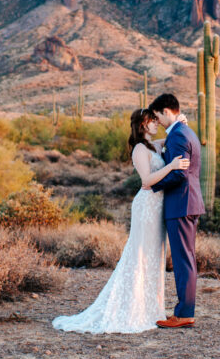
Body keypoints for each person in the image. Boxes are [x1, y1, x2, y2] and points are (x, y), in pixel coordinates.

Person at [52, 108, 189, 333]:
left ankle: (150, 308)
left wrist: (178, 121)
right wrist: (171, 166)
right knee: (140, 254)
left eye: (157, 120)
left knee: (154, 256)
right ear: (142, 125)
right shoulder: (139, 149)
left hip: (157, 207)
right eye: (151, 121)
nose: (156, 124)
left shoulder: (153, 146)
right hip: (146, 206)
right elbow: (146, 181)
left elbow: (171, 136)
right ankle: (132, 308)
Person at [147, 93, 205, 328]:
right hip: (186, 203)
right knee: (186, 259)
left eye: (158, 116)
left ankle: (183, 314)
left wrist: (153, 184)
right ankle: (184, 311)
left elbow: (179, 172)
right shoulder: (183, 131)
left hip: (181, 204)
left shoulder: (179, 135)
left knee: (183, 261)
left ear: (166, 112)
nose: (158, 121)